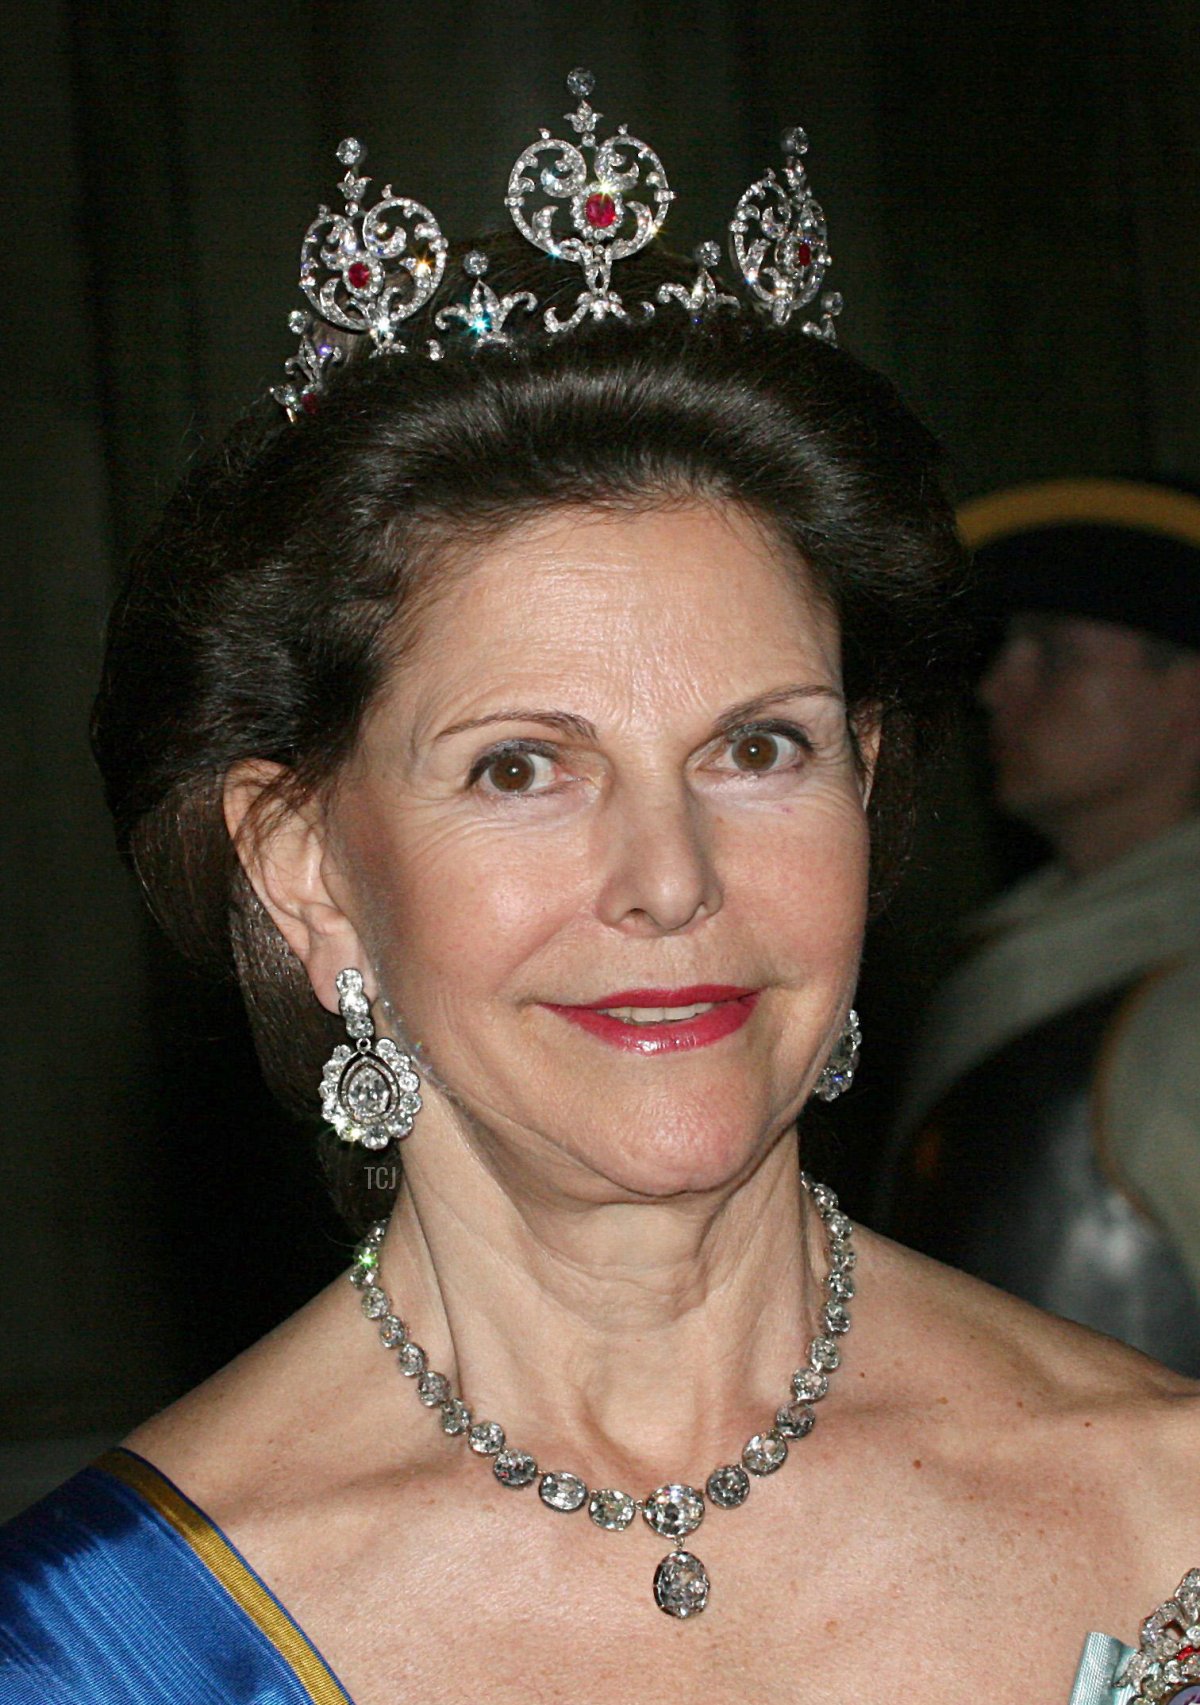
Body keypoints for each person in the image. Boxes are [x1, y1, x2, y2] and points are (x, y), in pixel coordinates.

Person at [1, 75, 1197, 1705]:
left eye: (758, 749)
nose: (670, 879)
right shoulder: (90, 1651)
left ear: (862, 779)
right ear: (306, 866)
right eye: (520, 768)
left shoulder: (1165, 1511)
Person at [882, 479, 1200, 1376]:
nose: (994, 689)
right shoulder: (1050, 954)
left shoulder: (1181, 1005)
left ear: (1189, 696)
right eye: (1006, 648)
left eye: (1053, 654)